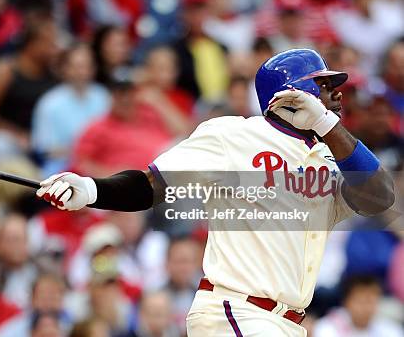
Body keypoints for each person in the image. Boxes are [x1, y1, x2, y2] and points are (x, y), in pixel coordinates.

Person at [36, 48, 395, 336]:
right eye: (324, 84)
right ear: (291, 96)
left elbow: (381, 197)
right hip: (236, 311)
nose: (336, 92)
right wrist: (89, 188)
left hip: (287, 323)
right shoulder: (234, 136)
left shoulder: (329, 161)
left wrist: (324, 124)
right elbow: (151, 186)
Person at [0, 15, 58, 162]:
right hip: (9, 138)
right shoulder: (6, 70)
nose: (54, 49)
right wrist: (16, 134)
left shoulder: (54, 71)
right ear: (32, 44)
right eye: (49, 44)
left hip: (45, 141)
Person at [31, 43, 110, 174]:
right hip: (63, 170)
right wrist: (82, 154)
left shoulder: (103, 96)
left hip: (103, 165)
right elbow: (46, 149)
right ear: (65, 69)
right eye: (77, 67)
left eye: (87, 66)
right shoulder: (50, 103)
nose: (83, 72)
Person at [314, 275, 404, 337]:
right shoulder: (327, 327)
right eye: (361, 301)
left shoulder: (391, 330)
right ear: (346, 302)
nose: (366, 307)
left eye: (370, 301)